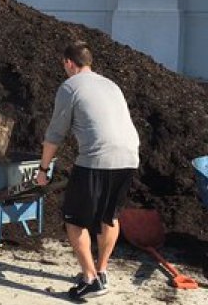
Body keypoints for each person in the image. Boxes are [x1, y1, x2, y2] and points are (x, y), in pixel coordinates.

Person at [36, 41, 139, 301]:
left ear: (70, 63)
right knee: (109, 217)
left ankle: (91, 278)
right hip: (129, 156)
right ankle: (102, 271)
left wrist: (43, 169)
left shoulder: (69, 87)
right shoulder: (110, 84)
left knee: (74, 221)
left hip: (97, 158)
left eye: (64, 65)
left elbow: (55, 135)